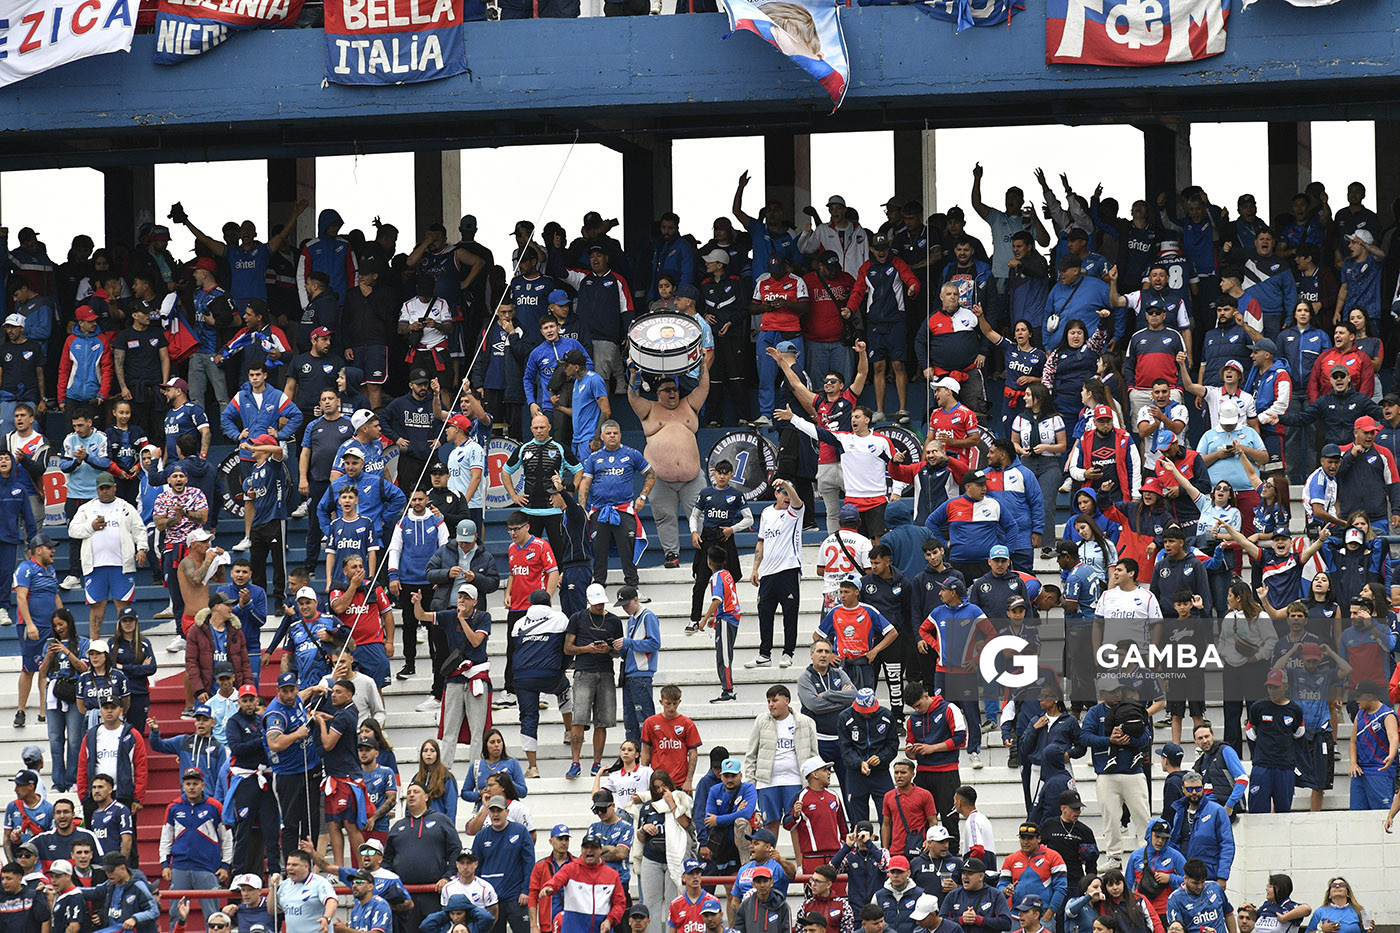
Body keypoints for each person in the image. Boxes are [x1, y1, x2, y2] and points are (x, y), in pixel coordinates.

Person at [629, 368, 708, 569]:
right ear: (658, 394)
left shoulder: (689, 404)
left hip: (692, 476)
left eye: (674, 389)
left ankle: (704, 551)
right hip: (660, 478)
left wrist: (703, 365)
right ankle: (671, 553)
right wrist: (632, 376)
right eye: (667, 390)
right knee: (665, 518)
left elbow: (704, 387)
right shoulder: (649, 408)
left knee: (699, 515)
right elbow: (632, 396)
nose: (672, 393)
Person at [1081, 680, 1152, 866]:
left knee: (1142, 815)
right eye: (1112, 691)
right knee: (1110, 818)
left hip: (1133, 772)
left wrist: (1128, 741)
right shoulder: (1095, 712)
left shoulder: (1132, 707)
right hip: (1106, 773)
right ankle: (1114, 857)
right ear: (1102, 693)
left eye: (1119, 690)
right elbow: (1084, 737)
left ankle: (1146, 854)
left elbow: (1146, 737)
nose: (1117, 694)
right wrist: (1109, 740)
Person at [578, 420, 654, 595]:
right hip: (599, 511)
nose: (612, 436)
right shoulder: (594, 458)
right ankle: (598, 590)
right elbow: (585, 483)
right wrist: (583, 507)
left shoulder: (631, 454)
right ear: (602, 437)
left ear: (620, 435)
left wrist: (642, 497)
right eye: (609, 433)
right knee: (598, 551)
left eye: (615, 433)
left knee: (628, 549)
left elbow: (651, 473)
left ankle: (633, 588)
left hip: (623, 510)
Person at [159, 767, 232, 928]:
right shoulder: (173, 807)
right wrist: (165, 864)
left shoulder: (215, 806)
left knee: (212, 917)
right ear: (183, 786)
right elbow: (165, 838)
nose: (191, 787)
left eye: (195, 783)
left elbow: (227, 838)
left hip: (207, 868)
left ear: (203, 785)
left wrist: (226, 865)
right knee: (175, 914)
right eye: (188, 783)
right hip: (179, 867)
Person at [385, 782, 463, 926]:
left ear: (426, 797)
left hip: (433, 894)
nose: (411, 795)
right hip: (406, 896)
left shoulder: (441, 820)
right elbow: (387, 860)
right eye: (408, 793)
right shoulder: (397, 826)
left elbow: (455, 851)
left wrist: (447, 876)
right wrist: (393, 883)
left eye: (416, 792)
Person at [902, 680, 967, 851]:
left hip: (947, 772)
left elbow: (961, 738)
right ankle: (922, 853)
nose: (917, 710)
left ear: (926, 696)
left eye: (918, 705)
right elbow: (909, 746)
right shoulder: (912, 719)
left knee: (949, 817)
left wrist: (932, 748)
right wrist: (911, 751)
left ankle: (952, 854)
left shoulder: (948, 709)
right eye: (913, 708)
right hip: (923, 773)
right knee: (920, 817)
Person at [749, 478, 805, 669]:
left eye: (790, 493)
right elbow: (761, 540)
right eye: (783, 493)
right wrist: (756, 568)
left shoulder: (795, 512)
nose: (787, 497)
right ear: (776, 494)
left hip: (789, 569)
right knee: (765, 614)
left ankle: (788, 653)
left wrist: (788, 486)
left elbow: (797, 501)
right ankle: (764, 654)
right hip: (768, 573)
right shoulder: (766, 512)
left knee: (790, 614)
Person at [1243, 670, 1306, 813]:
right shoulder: (1258, 707)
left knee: (1283, 813)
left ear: (1286, 686)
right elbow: (1250, 734)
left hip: (1285, 768)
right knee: (1257, 812)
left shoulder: (1295, 710)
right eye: (1269, 687)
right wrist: (1259, 754)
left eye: (1276, 687)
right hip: (1262, 767)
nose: (1272, 690)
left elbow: (1299, 735)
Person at [473, 795, 534, 933]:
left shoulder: (520, 831)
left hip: (516, 897)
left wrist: (526, 890)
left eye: (499, 810)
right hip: (491, 900)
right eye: (492, 810)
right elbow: (475, 868)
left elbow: (529, 862)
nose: (495, 814)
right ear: (488, 813)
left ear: (507, 812)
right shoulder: (481, 837)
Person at [1167, 773, 1235, 887]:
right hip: (1183, 876)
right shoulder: (1179, 812)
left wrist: (1222, 876)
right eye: (1189, 789)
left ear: (1203, 788)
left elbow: (1227, 845)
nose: (1194, 792)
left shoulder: (1217, 811)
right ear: (1183, 789)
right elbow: (1174, 843)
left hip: (1209, 877)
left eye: (1198, 788)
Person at [1348, 679, 1397, 810]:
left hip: (1380, 770)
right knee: (1356, 815)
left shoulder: (1387, 715)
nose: (1356, 700)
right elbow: (1353, 741)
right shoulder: (1360, 714)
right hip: (1360, 772)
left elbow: (1393, 737)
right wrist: (1353, 763)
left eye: (1359, 696)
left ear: (1369, 696)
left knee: (1383, 813)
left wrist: (1391, 756)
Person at [1165, 859, 1235, 933]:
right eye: (1195, 883)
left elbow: (1229, 914)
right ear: (1185, 878)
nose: (1200, 887)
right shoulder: (1175, 899)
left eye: (1203, 882)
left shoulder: (1215, 887)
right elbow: (1176, 930)